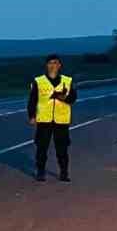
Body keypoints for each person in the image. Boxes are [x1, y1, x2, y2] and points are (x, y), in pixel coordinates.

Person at [27, 53, 77, 183]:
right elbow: (32, 99)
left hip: (61, 120)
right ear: (46, 65)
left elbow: (73, 99)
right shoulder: (38, 81)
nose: (53, 66)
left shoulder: (68, 80)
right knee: (41, 147)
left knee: (62, 148)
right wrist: (32, 115)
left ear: (59, 65)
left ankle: (64, 172)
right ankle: (40, 172)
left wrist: (63, 97)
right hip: (44, 119)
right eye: (50, 63)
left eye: (55, 63)